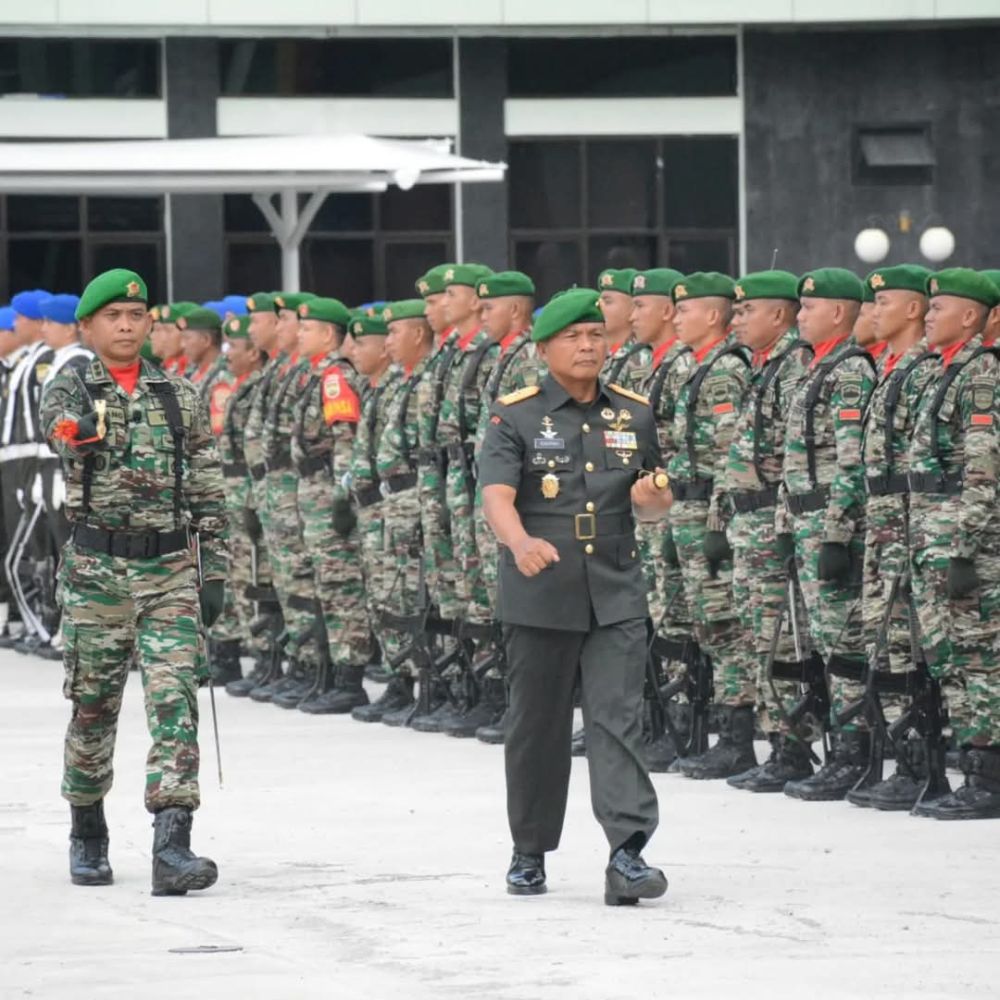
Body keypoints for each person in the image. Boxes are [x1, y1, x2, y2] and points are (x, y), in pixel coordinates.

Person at [480, 286, 671, 905]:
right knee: (537, 724)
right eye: (573, 337)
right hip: (542, 586)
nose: (588, 346)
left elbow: (655, 496)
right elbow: (497, 497)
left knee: (618, 719)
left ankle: (628, 853)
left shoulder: (635, 412)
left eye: (596, 335)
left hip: (615, 587)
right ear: (543, 348)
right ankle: (529, 850)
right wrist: (518, 543)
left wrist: (653, 503)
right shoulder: (517, 414)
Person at [39, 268, 226, 895]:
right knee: (93, 709)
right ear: (88, 327)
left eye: (136, 315)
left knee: (176, 703)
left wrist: (216, 571)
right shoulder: (68, 384)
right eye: (112, 316)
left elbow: (206, 487)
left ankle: (172, 846)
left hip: (169, 571)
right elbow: (61, 430)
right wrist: (83, 431)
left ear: (150, 324)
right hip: (96, 573)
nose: (126, 325)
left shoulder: (180, 395)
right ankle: (87, 830)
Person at [780, 268, 877, 801]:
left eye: (808, 308)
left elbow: (850, 461)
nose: (800, 316)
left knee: (842, 643)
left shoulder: (849, 373)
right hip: (804, 521)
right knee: (820, 638)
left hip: (828, 524)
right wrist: (782, 524)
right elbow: (793, 460)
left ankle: (854, 753)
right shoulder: (812, 368)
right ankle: (838, 747)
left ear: (838, 313)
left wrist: (837, 534)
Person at [907, 268, 1000, 820]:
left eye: (939, 308)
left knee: (979, 659)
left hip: (968, 545)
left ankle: (988, 777)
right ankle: (975, 770)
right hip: (932, 538)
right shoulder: (945, 372)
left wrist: (965, 548)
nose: (929, 315)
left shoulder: (982, 374)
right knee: (952, 658)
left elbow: (984, 470)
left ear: (970, 317)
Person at [719, 271, 818, 793]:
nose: (737, 321)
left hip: (772, 518)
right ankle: (775, 740)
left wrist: (783, 526)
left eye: (746, 311)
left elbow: (794, 458)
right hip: (749, 518)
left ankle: (793, 744)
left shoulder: (792, 368)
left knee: (783, 634)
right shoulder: (764, 367)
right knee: (760, 632)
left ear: (776, 316)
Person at [667, 273, 755, 781]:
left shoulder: (724, 372)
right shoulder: (700, 367)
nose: (678, 318)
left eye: (687, 310)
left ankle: (737, 739)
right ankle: (715, 731)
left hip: (708, 513)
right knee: (703, 621)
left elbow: (729, 456)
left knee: (723, 626)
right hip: (687, 510)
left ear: (713, 317)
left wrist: (718, 523)